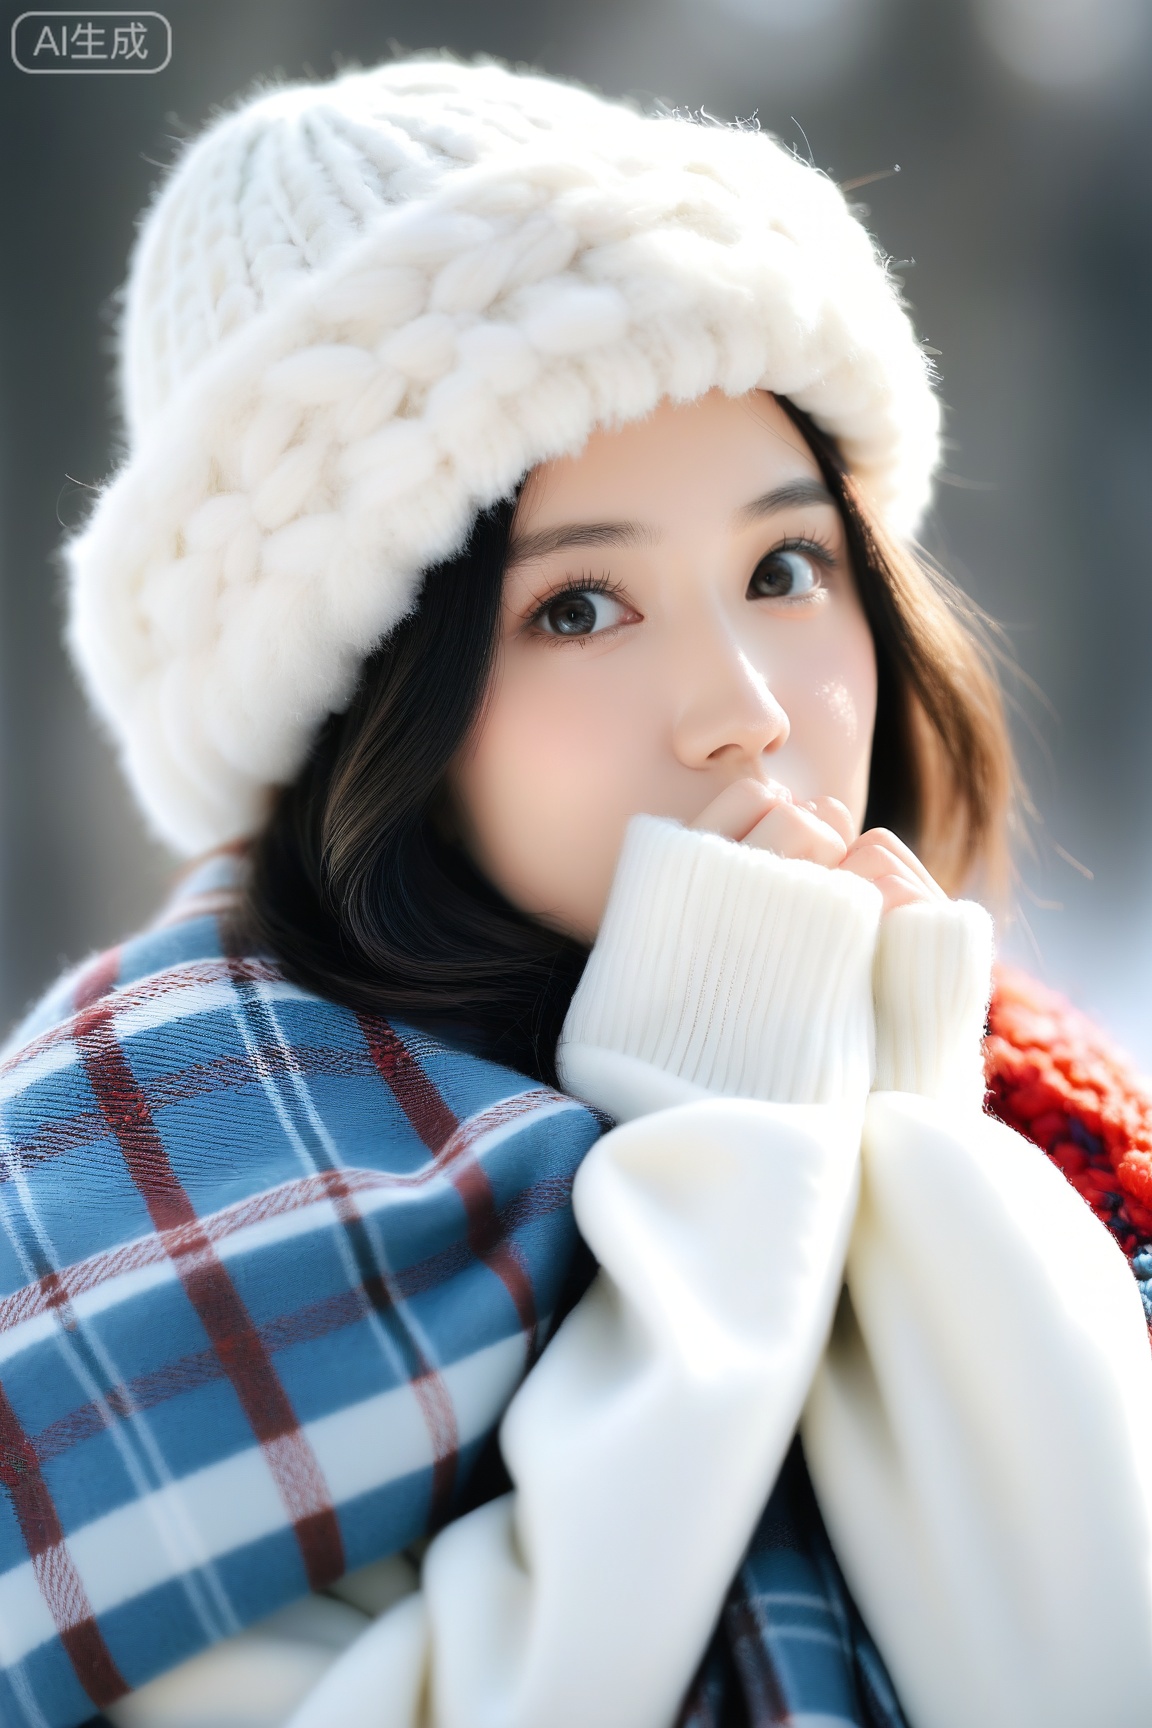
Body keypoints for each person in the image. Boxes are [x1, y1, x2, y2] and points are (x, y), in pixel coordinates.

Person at [3, 54, 1151, 1728]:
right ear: (363, 711)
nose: (746, 704)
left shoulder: (1026, 1095)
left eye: (783, 567)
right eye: (578, 608)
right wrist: (734, 1150)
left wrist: (901, 1129)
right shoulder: (158, 1162)